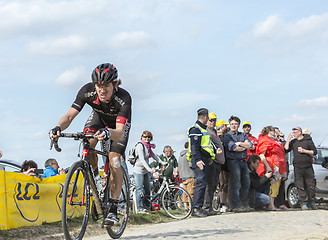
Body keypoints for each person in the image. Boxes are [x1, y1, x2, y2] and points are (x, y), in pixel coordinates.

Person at [49, 63, 132, 225]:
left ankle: (114, 209)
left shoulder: (123, 98)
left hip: (117, 126)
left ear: (115, 84)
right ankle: (97, 181)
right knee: (87, 142)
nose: (102, 90)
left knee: (114, 159)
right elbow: (69, 116)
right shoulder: (87, 91)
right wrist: (58, 127)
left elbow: (120, 131)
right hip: (99, 118)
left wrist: (109, 132)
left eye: (106, 86)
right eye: (98, 86)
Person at [187, 108, 216, 217]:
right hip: (198, 160)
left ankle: (200, 207)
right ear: (205, 117)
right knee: (200, 183)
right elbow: (195, 147)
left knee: (203, 184)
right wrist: (198, 160)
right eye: (208, 117)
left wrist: (208, 158)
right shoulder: (196, 129)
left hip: (204, 159)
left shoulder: (202, 129)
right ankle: (195, 209)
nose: (208, 119)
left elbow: (205, 146)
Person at [223, 115, 253, 213]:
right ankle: (237, 205)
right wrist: (242, 146)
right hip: (233, 161)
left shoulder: (243, 135)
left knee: (246, 183)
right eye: (232, 124)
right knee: (236, 184)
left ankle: (245, 204)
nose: (233, 126)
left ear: (239, 125)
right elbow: (232, 148)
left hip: (243, 161)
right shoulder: (228, 136)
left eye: (235, 124)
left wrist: (239, 144)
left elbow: (250, 145)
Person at [284, 126, 317, 210]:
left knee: (311, 185)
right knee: (300, 186)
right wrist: (288, 139)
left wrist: (304, 151)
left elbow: (314, 152)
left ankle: (311, 202)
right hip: (297, 167)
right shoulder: (293, 142)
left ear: (300, 132)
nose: (293, 134)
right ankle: (303, 203)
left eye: (295, 132)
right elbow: (286, 149)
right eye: (293, 132)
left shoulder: (308, 141)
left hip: (308, 167)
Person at [133, 131, 166, 213]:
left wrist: (162, 162)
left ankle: (148, 206)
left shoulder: (148, 147)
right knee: (139, 189)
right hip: (139, 171)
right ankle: (140, 208)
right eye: (145, 137)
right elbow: (142, 159)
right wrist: (149, 169)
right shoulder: (140, 146)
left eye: (149, 137)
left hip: (145, 171)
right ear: (142, 137)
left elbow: (154, 155)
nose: (147, 139)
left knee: (148, 189)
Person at [256, 126, 287, 211]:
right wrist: (268, 167)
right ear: (268, 132)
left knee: (276, 186)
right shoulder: (265, 140)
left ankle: (272, 204)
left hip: (278, 165)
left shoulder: (276, 141)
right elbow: (261, 155)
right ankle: (271, 205)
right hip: (271, 165)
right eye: (273, 130)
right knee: (272, 185)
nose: (275, 132)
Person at [203, 112, 224, 214]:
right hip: (212, 161)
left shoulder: (214, 132)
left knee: (214, 185)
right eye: (211, 120)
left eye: (214, 120)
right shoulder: (206, 132)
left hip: (217, 162)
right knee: (210, 185)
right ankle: (207, 207)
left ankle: (209, 207)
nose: (213, 122)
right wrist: (209, 158)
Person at [216, 119, 230, 212]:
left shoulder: (226, 136)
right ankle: (222, 204)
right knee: (222, 184)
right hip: (221, 165)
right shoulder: (218, 137)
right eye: (225, 125)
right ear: (221, 126)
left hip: (227, 163)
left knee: (227, 184)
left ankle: (226, 203)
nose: (226, 127)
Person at [178, 142, 195, 210]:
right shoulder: (188, 154)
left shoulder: (180, 156)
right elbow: (191, 165)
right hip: (190, 175)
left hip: (183, 176)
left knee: (185, 193)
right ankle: (191, 207)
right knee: (191, 192)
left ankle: (185, 207)